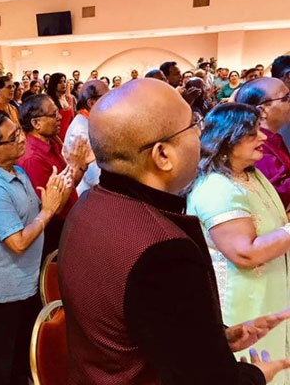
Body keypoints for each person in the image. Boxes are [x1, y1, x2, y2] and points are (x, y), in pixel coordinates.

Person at [59, 78, 290, 384]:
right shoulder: (162, 250)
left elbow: (143, 323)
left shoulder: (89, 204)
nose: (201, 134)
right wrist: (256, 375)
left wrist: (213, 339)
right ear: (162, 155)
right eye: (193, 126)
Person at [187, 103, 290, 384]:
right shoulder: (216, 188)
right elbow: (245, 253)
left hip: (267, 292)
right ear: (228, 138)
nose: (263, 137)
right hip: (241, 302)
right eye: (253, 133)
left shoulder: (249, 174)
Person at [0, 112, 71, 385]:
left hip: (25, 282)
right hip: (4, 290)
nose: (21, 139)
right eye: (13, 137)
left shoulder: (16, 171)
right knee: (2, 367)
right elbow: (17, 242)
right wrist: (47, 211)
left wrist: (55, 196)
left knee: (21, 360)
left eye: (18, 131)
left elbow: (37, 215)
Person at [17, 94, 93, 255]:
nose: (59, 117)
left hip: (68, 221)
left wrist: (81, 166)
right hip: (53, 231)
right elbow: (53, 207)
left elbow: (67, 185)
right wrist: (77, 167)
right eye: (53, 115)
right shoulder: (32, 158)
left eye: (57, 112)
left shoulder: (51, 143)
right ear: (36, 123)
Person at [236, 77, 290, 207]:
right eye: (286, 98)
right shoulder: (257, 147)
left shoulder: (272, 137)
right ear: (262, 111)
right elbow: (276, 198)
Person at [64, 79, 109, 195]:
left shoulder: (89, 122)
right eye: (107, 98)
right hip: (87, 193)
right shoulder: (81, 131)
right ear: (91, 103)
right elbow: (94, 178)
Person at [47, 73, 74, 140]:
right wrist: (61, 143)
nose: (63, 84)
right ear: (54, 84)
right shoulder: (49, 101)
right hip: (54, 138)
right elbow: (49, 126)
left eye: (64, 81)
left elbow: (71, 120)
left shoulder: (68, 99)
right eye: (60, 82)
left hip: (68, 136)